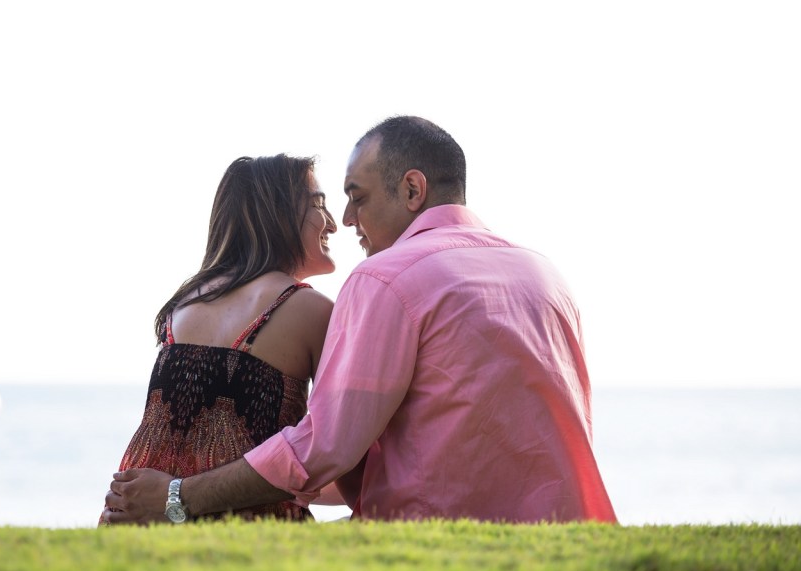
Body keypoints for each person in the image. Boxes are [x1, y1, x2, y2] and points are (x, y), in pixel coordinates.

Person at [103, 116, 617, 524]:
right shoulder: (547, 277)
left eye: (357, 197)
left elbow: (326, 447)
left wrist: (177, 496)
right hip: (571, 535)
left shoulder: (385, 279)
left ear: (413, 191)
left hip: (433, 543)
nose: (346, 221)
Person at [97, 154, 338, 524]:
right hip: (250, 538)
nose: (333, 224)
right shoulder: (308, 309)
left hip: (137, 525)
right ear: (278, 211)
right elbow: (334, 453)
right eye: (319, 204)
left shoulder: (183, 305)